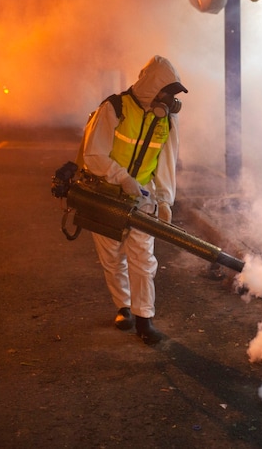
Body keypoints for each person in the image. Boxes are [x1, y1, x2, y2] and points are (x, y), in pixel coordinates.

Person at [76, 55, 187, 345]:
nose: (169, 99)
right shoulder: (114, 109)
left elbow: (166, 164)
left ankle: (144, 318)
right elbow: (93, 155)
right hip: (106, 194)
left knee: (143, 259)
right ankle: (123, 307)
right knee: (112, 258)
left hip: (142, 200)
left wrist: (164, 200)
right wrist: (122, 177)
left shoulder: (167, 121)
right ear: (152, 86)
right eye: (167, 91)